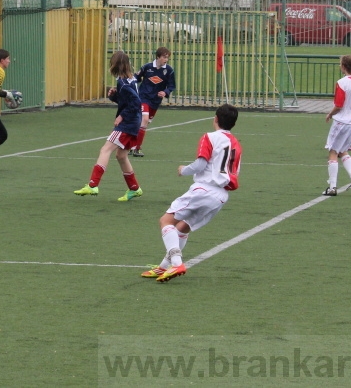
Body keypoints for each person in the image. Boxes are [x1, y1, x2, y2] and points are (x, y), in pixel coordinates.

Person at [142, 104, 242, 283]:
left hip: (205, 189)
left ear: (216, 119)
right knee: (182, 227)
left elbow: (200, 165)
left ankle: (177, 263)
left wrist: (184, 170)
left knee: (166, 221)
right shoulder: (235, 144)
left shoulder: (209, 137)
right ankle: (164, 267)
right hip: (220, 196)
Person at [74, 51, 145, 201]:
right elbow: (127, 101)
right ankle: (134, 188)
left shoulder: (123, 83)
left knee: (105, 150)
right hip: (134, 122)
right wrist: (114, 96)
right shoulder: (129, 79)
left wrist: (121, 116)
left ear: (115, 65)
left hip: (128, 123)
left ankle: (93, 185)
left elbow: (136, 103)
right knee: (121, 155)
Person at [323, 54, 351, 196]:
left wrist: (330, 114)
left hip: (342, 122)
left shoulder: (342, 82)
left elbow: (339, 105)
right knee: (343, 151)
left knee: (333, 152)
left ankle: (332, 187)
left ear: (343, 66)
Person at [129, 46, 176, 157]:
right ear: (158, 57)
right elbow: (136, 78)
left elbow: (171, 86)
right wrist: (131, 79)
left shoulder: (169, 70)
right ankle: (137, 149)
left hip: (155, 102)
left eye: (167, 57)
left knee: (143, 124)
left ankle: (132, 146)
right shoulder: (147, 67)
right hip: (143, 98)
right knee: (144, 120)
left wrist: (165, 92)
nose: (166, 60)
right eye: (164, 57)